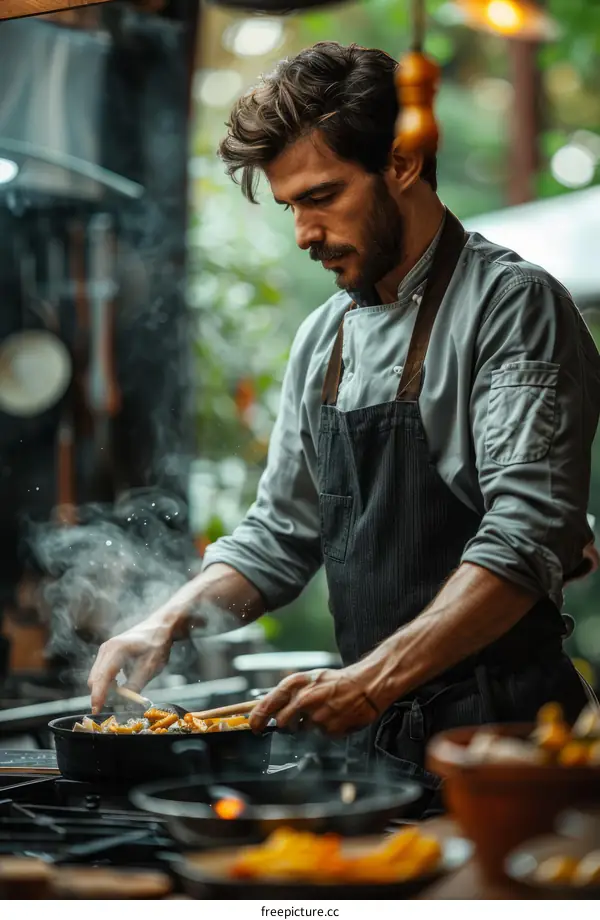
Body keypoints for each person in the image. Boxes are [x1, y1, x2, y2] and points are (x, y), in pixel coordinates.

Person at [88, 42, 600, 812]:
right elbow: (280, 536)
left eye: (322, 196)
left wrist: (372, 678)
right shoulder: (323, 338)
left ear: (401, 163)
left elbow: (528, 536)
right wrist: (167, 620)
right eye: (292, 205)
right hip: (372, 750)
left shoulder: (513, 307)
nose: (303, 232)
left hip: (502, 745)